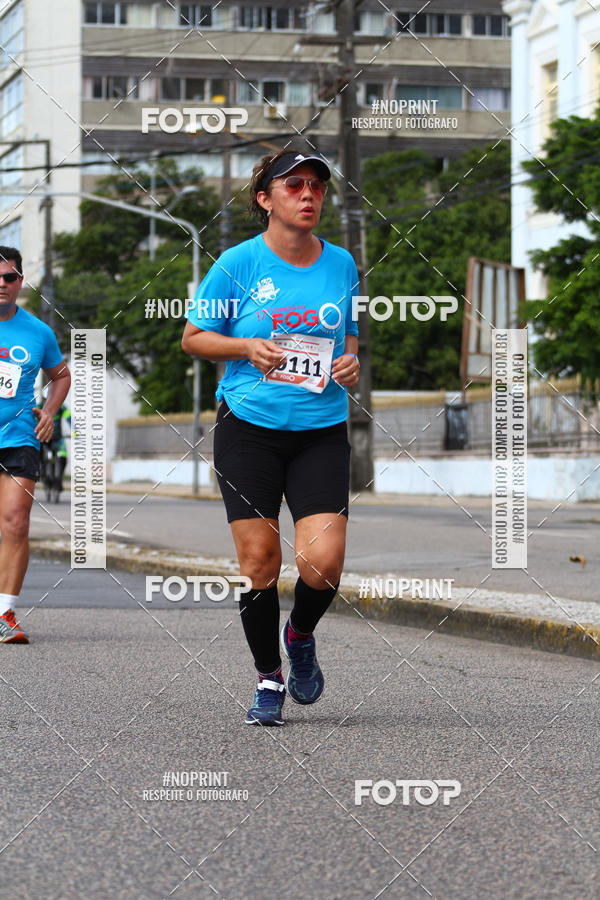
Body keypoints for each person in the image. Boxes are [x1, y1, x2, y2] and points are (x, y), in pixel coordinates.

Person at [182, 150, 360, 726]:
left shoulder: (341, 264)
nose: (309, 195)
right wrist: (244, 347)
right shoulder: (237, 263)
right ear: (266, 199)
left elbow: (348, 338)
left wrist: (351, 363)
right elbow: (193, 337)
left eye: (317, 187)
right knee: (261, 560)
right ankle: (268, 677)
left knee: (323, 562)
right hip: (248, 429)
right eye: (294, 186)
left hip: (320, 429)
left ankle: (300, 634)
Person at [0, 247, 71, 643]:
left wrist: (49, 411)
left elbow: (61, 375)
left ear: (20, 282)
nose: (2, 284)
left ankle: (4, 613)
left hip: (19, 439)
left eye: (9, 277)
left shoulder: (38, 332)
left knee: (16, 522)